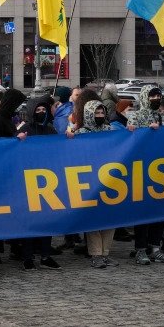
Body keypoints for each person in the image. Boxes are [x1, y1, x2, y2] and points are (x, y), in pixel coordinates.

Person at [126, 85, 164, 265]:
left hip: (161, 171)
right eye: (152, 96)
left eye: (158, 95)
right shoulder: (136, 115)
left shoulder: (163, 115)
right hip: (142, 171)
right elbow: (130, 136)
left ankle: (155, 247)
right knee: (143, 212)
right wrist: (144, 131)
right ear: (145, 97)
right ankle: (141, 249)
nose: (156, 98)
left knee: (159, 211)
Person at [67, 100, 118, 269]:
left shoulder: (111, 130)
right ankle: (96, 254)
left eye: (102, 113)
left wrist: (130, 133)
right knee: (94, 219)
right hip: (90, 181)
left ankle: (105, 253)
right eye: (96, 113)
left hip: (110, 180)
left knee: (111, 218)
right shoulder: (81, 132)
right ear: (89, 114)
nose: (100, 116)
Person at [17, 95, 61, 270]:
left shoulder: (50, 129)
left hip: (48, 181)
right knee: (30, 223)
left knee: (47, 221)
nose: (41, 113)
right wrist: (17, 139)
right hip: (28, 182)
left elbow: (60, 150)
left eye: (44, 110)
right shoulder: (26, 128)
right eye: (38, 110)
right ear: (31, 112)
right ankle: (28, 257)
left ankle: (45, 255)